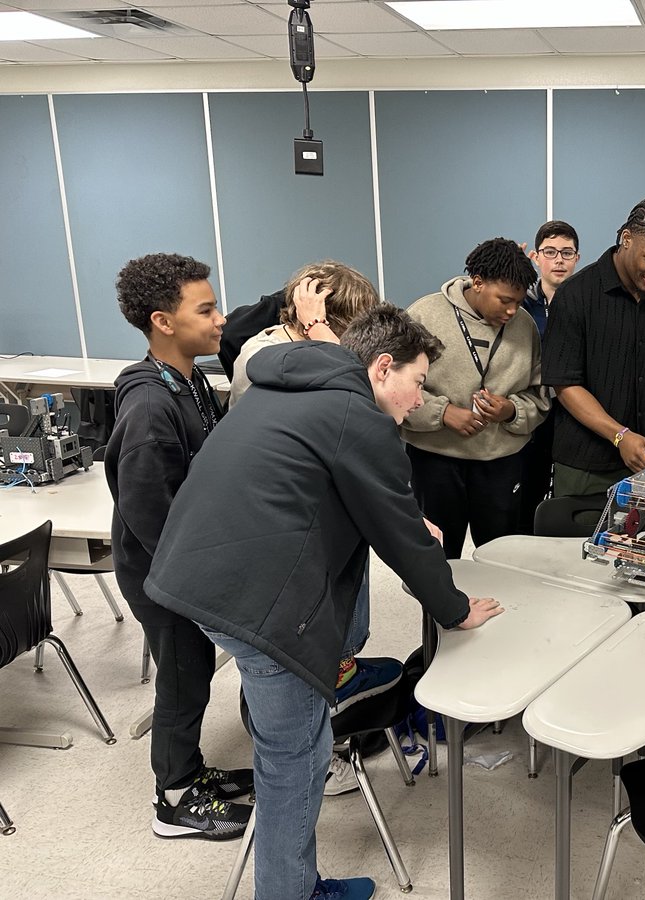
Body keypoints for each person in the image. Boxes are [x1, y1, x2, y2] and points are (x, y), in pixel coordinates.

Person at [144, 305, 505, 900]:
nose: (419, 400)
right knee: (292, 763)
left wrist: (400, 517)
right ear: (383, 367)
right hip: (256, 603)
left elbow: (305, 476)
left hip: (194, 577)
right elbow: (404, 545)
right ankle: (291, 893)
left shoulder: (285, 383)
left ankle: (295, 881)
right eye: (418, 382)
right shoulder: (359, 417)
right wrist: (455, 609)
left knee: (303, 745)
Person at [229, 262, 403, 798]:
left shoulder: (315, 349)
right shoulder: (266, 356)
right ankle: (309, 748)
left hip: (329, 513)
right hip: (285, 532)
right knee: (292, 651)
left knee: (341, 629)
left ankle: (338, 696)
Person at [105, 253, 254, 840]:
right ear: (163, 321)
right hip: (162, 571)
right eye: (207, 308)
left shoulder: (189, 381)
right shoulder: (149, 404)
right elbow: (147, 509)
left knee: (193, 672)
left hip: (189, 561)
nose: (220, 319)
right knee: (185, 676)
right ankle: (173, 799)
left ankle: (190, 771)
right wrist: (193, 580)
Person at [402, 238, 549, 559]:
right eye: (505, 300)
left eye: (519, 302)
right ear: (478, 282)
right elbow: (394, 390)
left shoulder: (524, 326)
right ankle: (440, 611)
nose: (512, 310)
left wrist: (511, 410)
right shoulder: (424, 314)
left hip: (502, 462)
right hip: (435, 458)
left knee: (502, 555)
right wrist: (443, 413)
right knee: (437, 555)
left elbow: (539, 396)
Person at [542, 195, 645, 497]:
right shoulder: (576, 295)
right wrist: (620, 436)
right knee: (577, 545)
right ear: (626, 239)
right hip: (586, 467)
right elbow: (565, 384)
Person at [228, 260, 378, 405]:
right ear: (337, 321)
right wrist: (316, 324)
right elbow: (354, 378)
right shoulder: (264, 354)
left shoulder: (313, 347)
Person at [519, 220, 580, 531]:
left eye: (567, 253)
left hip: (573, 406)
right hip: (531, 406)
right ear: (536, 256)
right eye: (551, 252)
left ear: (577, 259)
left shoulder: (587, 302)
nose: (559, 260)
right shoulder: (520, 304)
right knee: (530, 484)